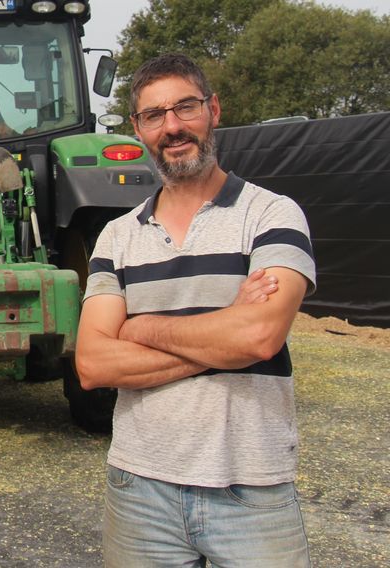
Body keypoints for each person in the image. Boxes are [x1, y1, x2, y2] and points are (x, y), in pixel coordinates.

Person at [75, 53, 315, 567]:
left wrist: (140, 327)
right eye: (155, 115)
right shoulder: (116, 237)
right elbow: (94, 365)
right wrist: (224, 334)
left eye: (186, 107)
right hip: (140, 489)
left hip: (251, 488)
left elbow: (258, 339)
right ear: (138, 128)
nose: (173, 126)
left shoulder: (271, 214)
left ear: (214, 110)